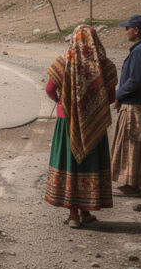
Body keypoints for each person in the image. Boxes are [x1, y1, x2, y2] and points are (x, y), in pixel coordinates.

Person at [45, 25, 117, 228]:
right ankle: (86, 211)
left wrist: (62, 101)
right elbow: (111, 97)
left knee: (70, 163)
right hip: (95, 124)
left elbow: (50, 89)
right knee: (89, 163)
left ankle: (73, 215)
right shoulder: (105, 66)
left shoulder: (63, 62)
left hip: (66, 121)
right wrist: (92, 109)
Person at [110, 15, 141, 196]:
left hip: (135, 105)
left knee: (131, 143)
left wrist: (117, 95)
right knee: (140, 144)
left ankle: (132, 185)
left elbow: (135, 80)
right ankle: (137, 183)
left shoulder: (140, 51)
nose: (126, 32)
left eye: (128, 28)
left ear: (136, 31)